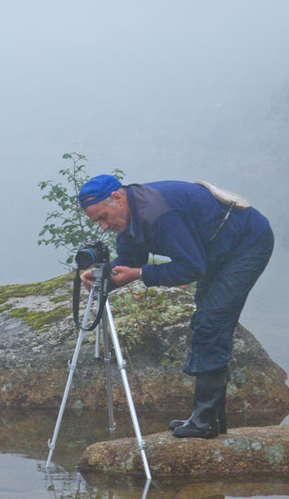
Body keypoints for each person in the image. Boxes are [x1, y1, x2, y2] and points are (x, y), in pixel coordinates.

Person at [78, 174, 274, 439]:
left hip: (247, 244)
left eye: (103, 217)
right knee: (206, 322)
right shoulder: (128, 218)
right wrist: (103, 277)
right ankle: (210, 418)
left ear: (117, 197)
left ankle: (204, 421)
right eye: (97, 222)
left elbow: (190, 268)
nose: (103, 226)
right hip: (215, 249)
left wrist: (140, 275)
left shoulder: (159, 213)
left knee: (212, 322)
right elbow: (131, 259)